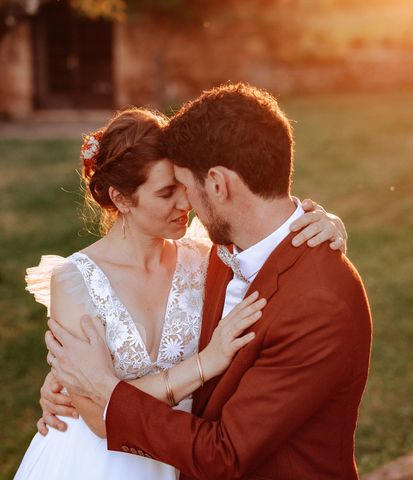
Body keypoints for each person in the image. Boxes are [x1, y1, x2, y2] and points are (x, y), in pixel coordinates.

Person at [44, 83, 371, 480]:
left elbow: (226, 453)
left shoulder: (318, 300)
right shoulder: (217, 252)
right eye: (169, 191)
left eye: (186, 187)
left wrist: (104, 389)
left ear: (217, 184)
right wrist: (67, 383)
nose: (187, 205)